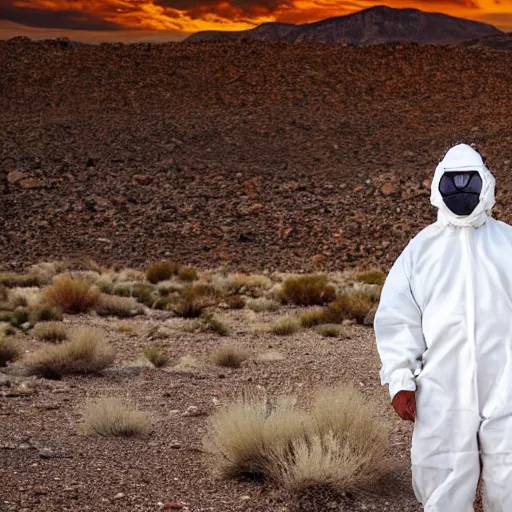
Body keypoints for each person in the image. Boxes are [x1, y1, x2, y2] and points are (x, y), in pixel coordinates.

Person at [374, 143, 512, 511]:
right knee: (441, 475)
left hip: (507, 382)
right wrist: (401, 379)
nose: (462, 190)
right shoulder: (422, 250)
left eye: (470, 181)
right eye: (455, 182)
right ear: (439, 185)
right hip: (442, 385)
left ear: (485, 184)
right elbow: (397, 318)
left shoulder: (508, 244)